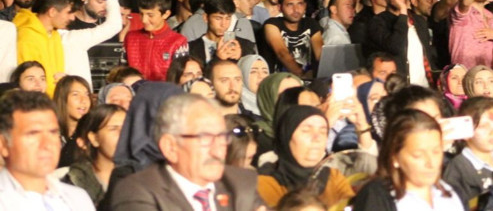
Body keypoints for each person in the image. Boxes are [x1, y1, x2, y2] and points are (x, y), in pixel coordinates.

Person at [107, 93, 264, 209]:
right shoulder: (137, 190)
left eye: (222, 137)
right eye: (205, 138)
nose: (218, 151)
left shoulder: (240, 182)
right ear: (170, 147)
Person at [353, 109, 465, 211]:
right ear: (395, 157)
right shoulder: (377, 196)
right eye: (418, 155)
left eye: (436, 152)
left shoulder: (451, 192)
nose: (431, 163)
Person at [0, 91, 95, 210]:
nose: (47, 144)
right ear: (3, 145)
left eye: (53, 132)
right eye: (33, 134)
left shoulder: (78, 198)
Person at [258, 105, 355, 207]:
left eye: (323, 131)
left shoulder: (333, 177)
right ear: (286, 137)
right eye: (306, 130)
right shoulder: (265, 184)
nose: (317, 138)